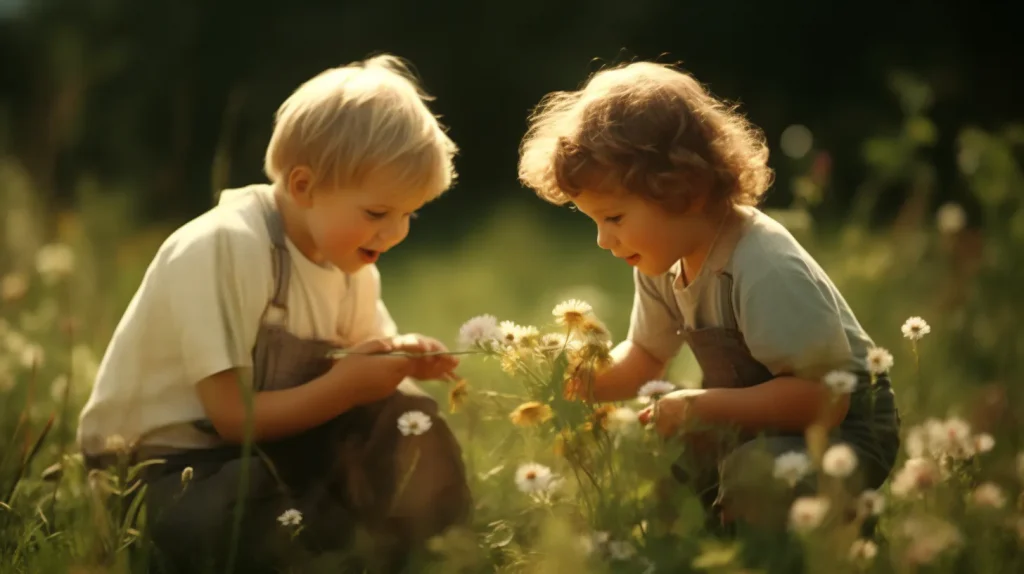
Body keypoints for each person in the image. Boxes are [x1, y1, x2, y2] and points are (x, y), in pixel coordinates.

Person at [76, 54, 472, 573]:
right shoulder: (227, 246)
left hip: (272, 452)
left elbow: (358, 380)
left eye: (408, 214)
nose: (395, 233)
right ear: (304, 186)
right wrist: (351, 385)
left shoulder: (353, 268)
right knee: (249, 518)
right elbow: (231, 418)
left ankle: (444, 551)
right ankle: (338, 546)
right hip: (166, 471)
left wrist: (399, 360)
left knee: (407, 421)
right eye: (377, 213)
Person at [516, 60, 900, 529]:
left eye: (613, 218)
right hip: (752, 421)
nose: (602, 240)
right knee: (645, 447)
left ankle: (824, 536)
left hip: (840, 432)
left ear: (687, 191)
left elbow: (825, 398)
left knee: (754, 471)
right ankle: (691, 544)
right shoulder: (663, 258)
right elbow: (644, 356)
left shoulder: (762, 264)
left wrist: (699, 407)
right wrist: (575, 380)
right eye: (594, 221)